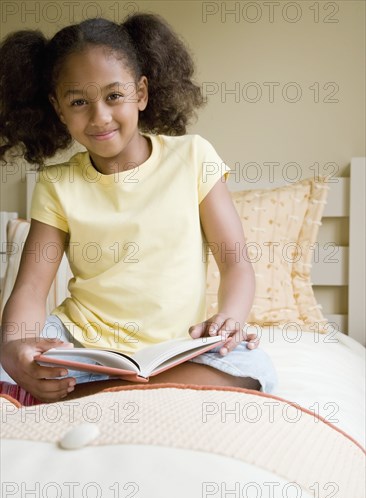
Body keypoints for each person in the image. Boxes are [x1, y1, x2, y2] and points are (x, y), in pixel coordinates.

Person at [0, 14, 277, 403]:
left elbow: (235, 262)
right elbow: (30, 287)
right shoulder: (56, 183)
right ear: (59, 109)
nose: (100, 117)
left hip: (178, 348)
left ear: (141, 93)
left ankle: (89, 393)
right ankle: (115, 386)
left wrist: (229, 317)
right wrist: (15, 347)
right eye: (79, 102)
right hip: (83, 344)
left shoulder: (193, 156)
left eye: (114, 96)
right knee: (8, 364)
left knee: (255, 367)